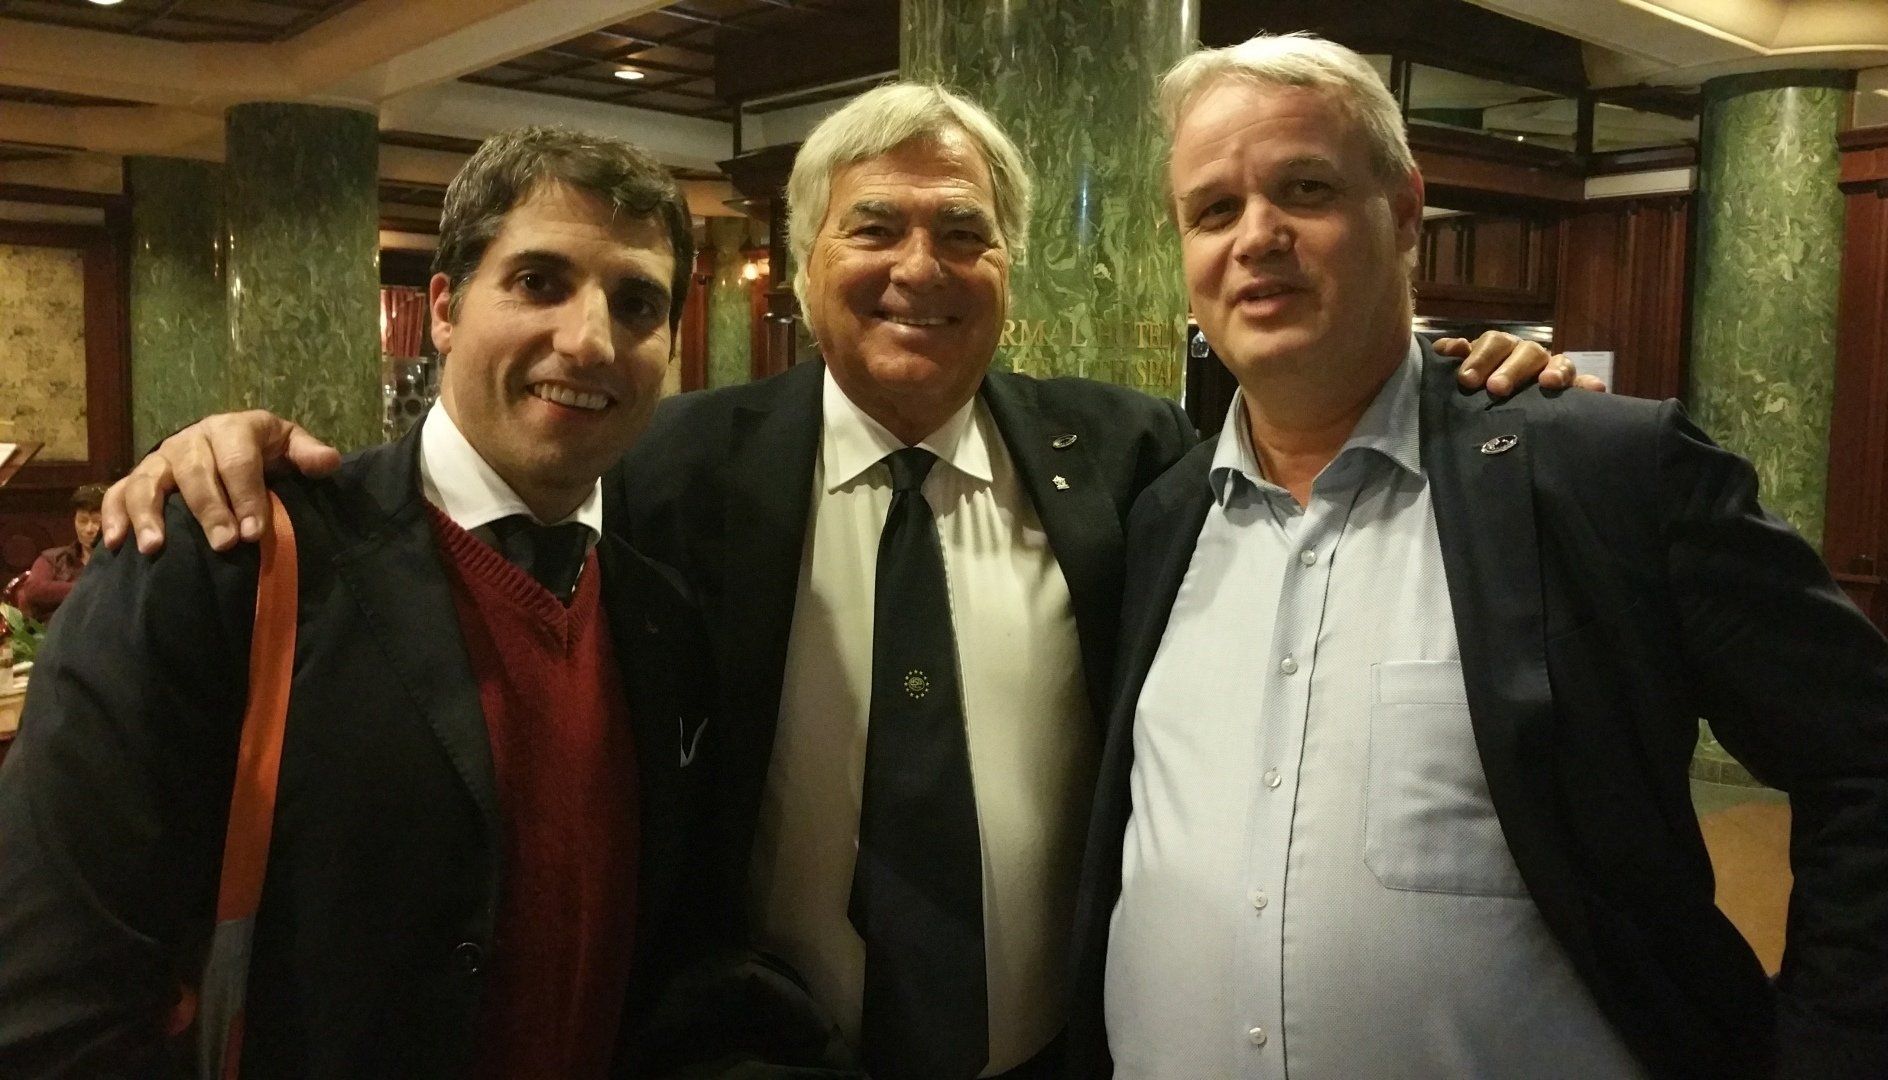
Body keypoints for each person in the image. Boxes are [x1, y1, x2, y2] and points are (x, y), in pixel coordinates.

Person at [99, 84, 1582, 1079]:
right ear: (804, 264)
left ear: (1010, 272)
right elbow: (483, 488)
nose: (917, 266)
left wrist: (1457, 387)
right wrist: (216, 447)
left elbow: (1303, 439)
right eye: (873, 227)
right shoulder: (668, 467)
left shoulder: (1133, 461)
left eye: (963, 233)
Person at [1066, 33, 1888, 1080]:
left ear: (1405, 213)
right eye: (1213, 210)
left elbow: (1884, 769)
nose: (1256, 237)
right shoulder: (1162, 519)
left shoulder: (1602, 473)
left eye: (1305, 188)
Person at [0, 126, 722, 1078]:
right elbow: (54, 1000)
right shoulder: (223, 557)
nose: (590, 340)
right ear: (444, 309)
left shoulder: (664, 619)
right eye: (538, 281)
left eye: (637, 303)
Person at [16, 482, 106, 623]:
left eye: (97, 522)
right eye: (82, 521)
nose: (89, 529)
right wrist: (93, 589)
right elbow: (34, 590)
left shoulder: (121, 560)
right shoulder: (53, 558)